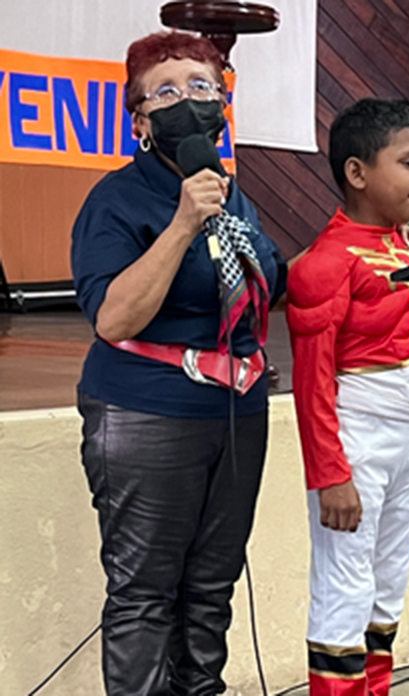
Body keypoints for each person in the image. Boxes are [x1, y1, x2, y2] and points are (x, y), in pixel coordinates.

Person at [71, 30, 287, 696]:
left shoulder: (233, 197)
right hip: (146, 414)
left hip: (235, 412)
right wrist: (182, 225)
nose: (187, 99)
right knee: (145, 594)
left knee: (211, 589)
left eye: (202, 86)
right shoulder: (119, 200)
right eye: (164, 91)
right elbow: (113, 318)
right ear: (139, 121)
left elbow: (269, 284)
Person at [287, 98, 409, 696]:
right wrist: (331, 473)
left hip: (400, 443)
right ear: (358, 173)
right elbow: (312, 382)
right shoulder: (326, 263)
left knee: (387, 583)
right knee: (344, 587)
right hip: (353, 440)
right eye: (407, 162)